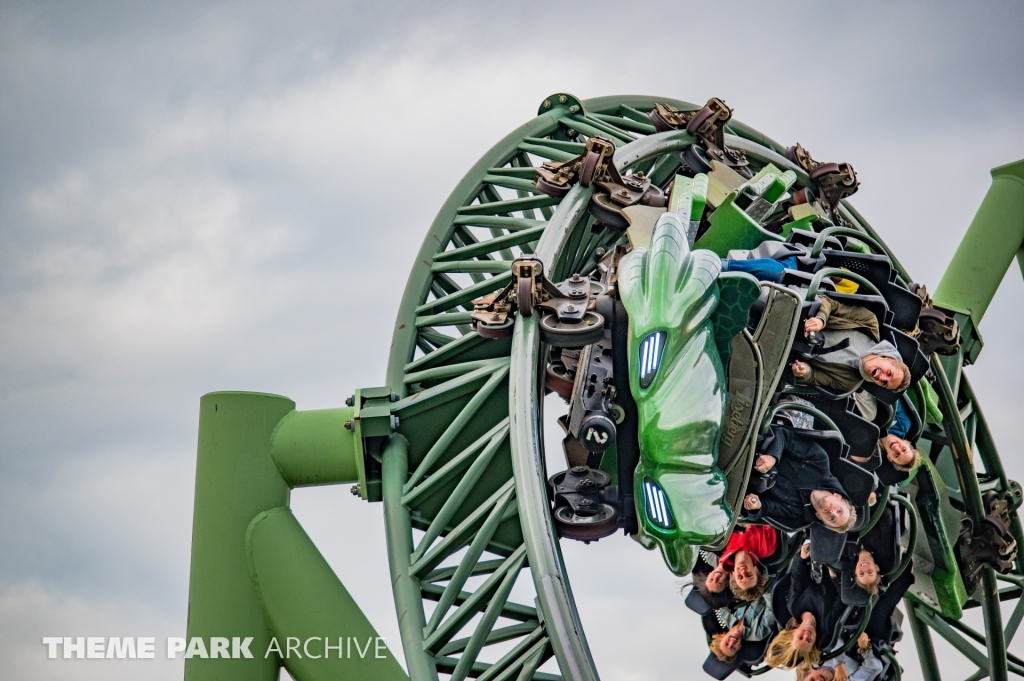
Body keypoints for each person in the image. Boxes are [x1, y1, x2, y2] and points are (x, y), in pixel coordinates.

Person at [742, 425, 856, 533]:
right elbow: (784, 435)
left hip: (742, 481)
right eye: (839, 510)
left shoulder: (796, 516)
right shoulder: (820, 461)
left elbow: (766, 509)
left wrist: (756, 506)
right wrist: (773, 457)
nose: (832, 512)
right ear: (837, 496)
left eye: (831, 519)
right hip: (752, 440)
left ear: (819, 517)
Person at [790, 295, 911, 393]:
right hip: (795, 312)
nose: (882, 378)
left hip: (787, 351)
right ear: (888, 359)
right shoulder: (869, 322)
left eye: (884, 384)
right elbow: (829, 302)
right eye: (889, 373)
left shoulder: (849, 383)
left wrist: (804, 372)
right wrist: (820, 320)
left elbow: (814, 376)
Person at [766, 543, 847, 670]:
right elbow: (842, 599)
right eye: (809, 641)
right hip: (840, 573)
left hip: (819, 561)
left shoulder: (794, 606)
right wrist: (834, 576)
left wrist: (801, 557)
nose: (806, 635)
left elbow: (798, 576)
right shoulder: (826, 625)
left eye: (800, 637)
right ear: (814, 641)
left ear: (794, 632)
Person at [710, 593, 778, 662]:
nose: (732, 642)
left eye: (726, 644)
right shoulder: (758, 633)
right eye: (733, 648)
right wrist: (763, 588)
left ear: (722, 636)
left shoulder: (725, 615)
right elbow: (773, 605)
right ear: (739, 647)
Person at [798, 633, 884, 681]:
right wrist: (864, 648)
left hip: (848, 623)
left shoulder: (815, 659)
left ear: (810, 672)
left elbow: (830, 635)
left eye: (812, 680)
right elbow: (874, 667)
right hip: (873, 640)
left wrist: (839, 663)